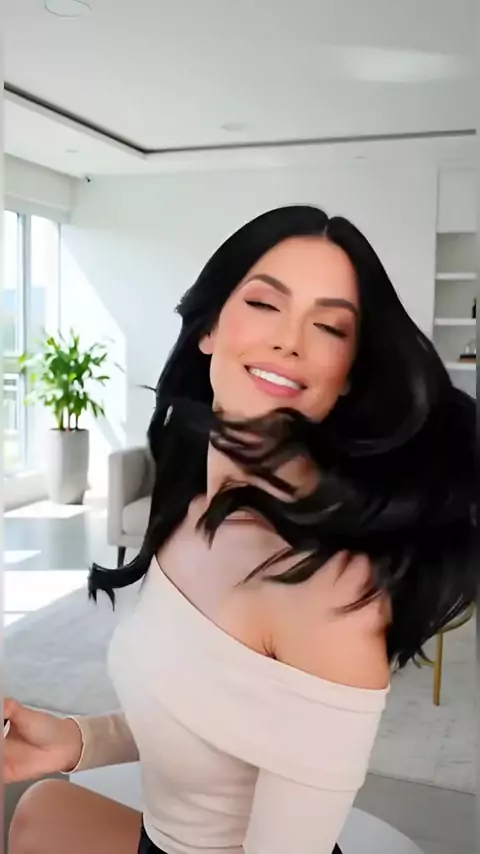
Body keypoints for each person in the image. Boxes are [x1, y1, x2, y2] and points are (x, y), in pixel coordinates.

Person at [5, 205, 475, 854]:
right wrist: (76, 740)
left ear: (348, 375)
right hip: (161, 837)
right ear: (208, 328)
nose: (290, 341)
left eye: (329, 326)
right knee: (39, 811)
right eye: (264, 303)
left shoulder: (326, 589)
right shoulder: (192, 507)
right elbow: (208, 707)